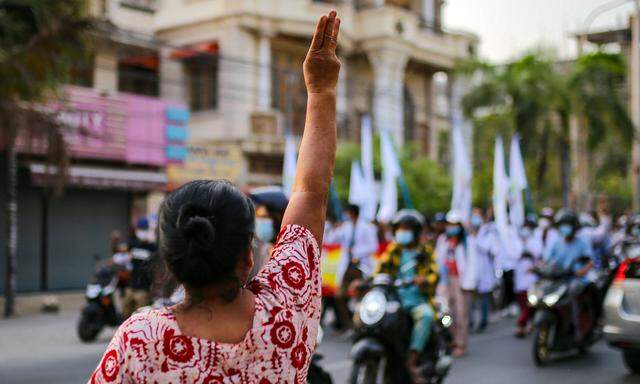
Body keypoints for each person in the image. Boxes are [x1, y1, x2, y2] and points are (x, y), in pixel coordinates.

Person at [89, 10, 341, 383]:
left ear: (172, 264)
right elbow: (310, 192)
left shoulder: (140, 342)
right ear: (245, 258)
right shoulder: (284, 313)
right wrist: (321, 91)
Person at [375, 209, 439, 382]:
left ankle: (412, 360)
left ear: (416, 231)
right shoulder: (394, 249)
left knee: (426, 316)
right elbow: (379, 270)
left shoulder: (425, 251)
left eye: (407, 228)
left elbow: (434, 274)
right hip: (395, 299)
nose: (403, 232)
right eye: (400, 228)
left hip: (418, 299)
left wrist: (424, 280)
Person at [544, 211, 595, 342]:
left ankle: (577, 328)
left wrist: (583, 270)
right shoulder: (556, 243)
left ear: (574, 227)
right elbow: (547, 260)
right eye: (562, 225)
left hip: (576, 280)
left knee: (571, 293)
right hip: (559, 278)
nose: (565, 228)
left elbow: (590, 262)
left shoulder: (582, 243)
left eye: (568, 225)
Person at [333, 204, 378, 330]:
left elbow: (373, 246)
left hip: (361, 266)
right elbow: (333, 239)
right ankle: (349, 325)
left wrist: (358, 253)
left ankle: (363, 325)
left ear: (352, 213)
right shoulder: (346, 227)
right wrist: (336, 228)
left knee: (363, 295)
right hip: (347, 266)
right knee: (339, 296)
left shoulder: (368, 227)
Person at [436, 211, 471, 357]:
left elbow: (471, 264)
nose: (451, 228)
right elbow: (438, 258)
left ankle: (461, 343)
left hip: (461, 281)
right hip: (445, 279)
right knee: (446, 311)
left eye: (454, 225)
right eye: (449, 225)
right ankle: (450, 340)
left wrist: (468, 283)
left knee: (461, 313)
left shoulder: (467, 241)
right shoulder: (443, 239)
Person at [122, 218, 156, 318]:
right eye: (141, 229)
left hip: (144, 288)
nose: (142, 232)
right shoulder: (133, 244)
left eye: (144, 229)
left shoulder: (152, 247)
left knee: (141, 317)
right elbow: (121, 252)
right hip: (131, 286)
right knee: (126, 313)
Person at [514, 215, 540, 338]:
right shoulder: (517, 240)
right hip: (520, 278)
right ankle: (527, 323)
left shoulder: (535, 240)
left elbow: (539, 254)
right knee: (522, 304)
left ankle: (521, 324)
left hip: (531, 278)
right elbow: (513, 254)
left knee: (530, 303)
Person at [474, 211, 498, 332]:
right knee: (472, 300)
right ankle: (471, 322)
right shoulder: (467, 233)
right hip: (472, 272)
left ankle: (484, 321)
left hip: (484, 271)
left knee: (484, 298)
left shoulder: (488, 232)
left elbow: (489, 248)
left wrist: (475, 238)